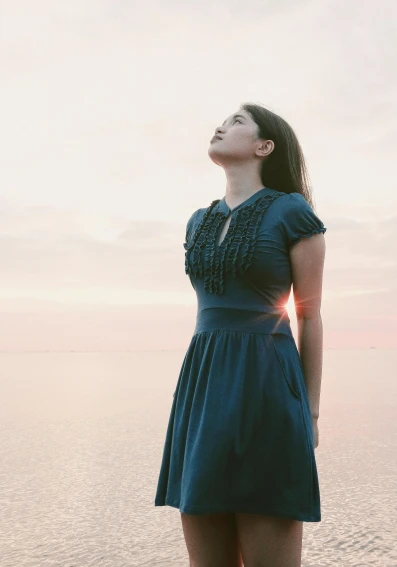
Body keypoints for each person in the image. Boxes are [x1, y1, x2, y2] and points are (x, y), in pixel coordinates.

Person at [154, 102, 327, 567]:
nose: (220, 125)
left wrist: (309, 412)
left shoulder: (292, 212)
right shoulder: (198, 221)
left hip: (267, 384)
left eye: (236, 122)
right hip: (203, 386)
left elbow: (310, 317)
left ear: (263, 146)